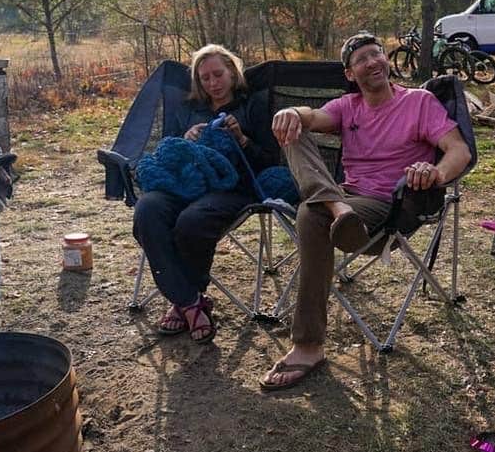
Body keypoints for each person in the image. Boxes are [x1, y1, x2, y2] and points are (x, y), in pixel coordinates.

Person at [259, 32, 472, 389]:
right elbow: (313, 117)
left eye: (377, 54)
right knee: (293, 132)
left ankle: (308, 344)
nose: (372, 62)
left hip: (390, 205)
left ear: (387, 61)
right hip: (347, 198)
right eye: (361, 59)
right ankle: (337, 207)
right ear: (349, 74)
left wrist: (436, 172)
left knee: (310, 216)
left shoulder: (418, 101)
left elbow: (459, 151)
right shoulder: (347, 106)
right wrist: (293, 112)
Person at [132, 44, 279, 344]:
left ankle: (182, 301)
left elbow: (270, 159)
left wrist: (242, 139)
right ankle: (190, 301)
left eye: (218, 75)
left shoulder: (252, 105)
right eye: (205, 78)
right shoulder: (188, 109)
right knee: (147, 209)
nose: (213, 83)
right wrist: (185, 139)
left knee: (192, 221)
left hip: (232, 188)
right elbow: (168, 150)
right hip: (184, 184)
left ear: (233, 72)